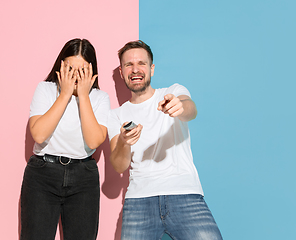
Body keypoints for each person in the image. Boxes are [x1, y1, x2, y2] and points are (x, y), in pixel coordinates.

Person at [108, 40, 223, 240]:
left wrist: (180, 106)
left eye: (141, 63)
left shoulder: (173, 92)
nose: (136, 69)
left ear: (151, 68)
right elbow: (118, 166)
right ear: (121, 72)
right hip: (139, 201)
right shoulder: (116, 115)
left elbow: (190, 110)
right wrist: (125, 142)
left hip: (185, 193)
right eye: (129, 65)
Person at [20, 38, 110, 240]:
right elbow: (40, 134)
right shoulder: (46, 89)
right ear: (60, 66)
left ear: (92, 70)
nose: (75, 76)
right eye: (70, 68)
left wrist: (83, 96)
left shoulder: (100, 97)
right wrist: (66, 93)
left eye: (82, 70)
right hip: (43, 174)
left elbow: (94, 141)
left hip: (83, 177)